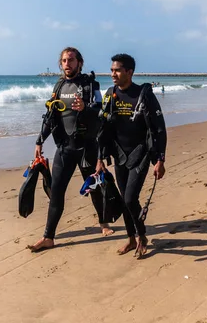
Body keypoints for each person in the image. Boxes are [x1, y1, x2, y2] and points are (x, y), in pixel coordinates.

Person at [28, 47, 112, 252]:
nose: (67, 63)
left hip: (86, 147)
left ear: (79, 63)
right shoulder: (59, 86)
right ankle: (48, 237)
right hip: (65, 148)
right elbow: (49, 117)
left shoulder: (90, 85)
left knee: (93, 187)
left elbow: (101, 112)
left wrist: (85, 107)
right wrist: (39, 141)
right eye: (64, 60)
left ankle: (103, 223)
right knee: (56, 191)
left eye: (71, 60)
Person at [96, 53, 167, 259]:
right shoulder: (110, 94)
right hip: (119, 155)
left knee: (130, 198)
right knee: (124, 200)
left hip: (140, 154)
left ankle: (142, 236)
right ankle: (130, 238)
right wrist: (101, 158)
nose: (113, 74)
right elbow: (103, 129)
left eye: (117, 70)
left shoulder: (144, 95)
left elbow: (159, 129)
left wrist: (160, 159)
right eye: (111, 70)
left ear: (129, 72)